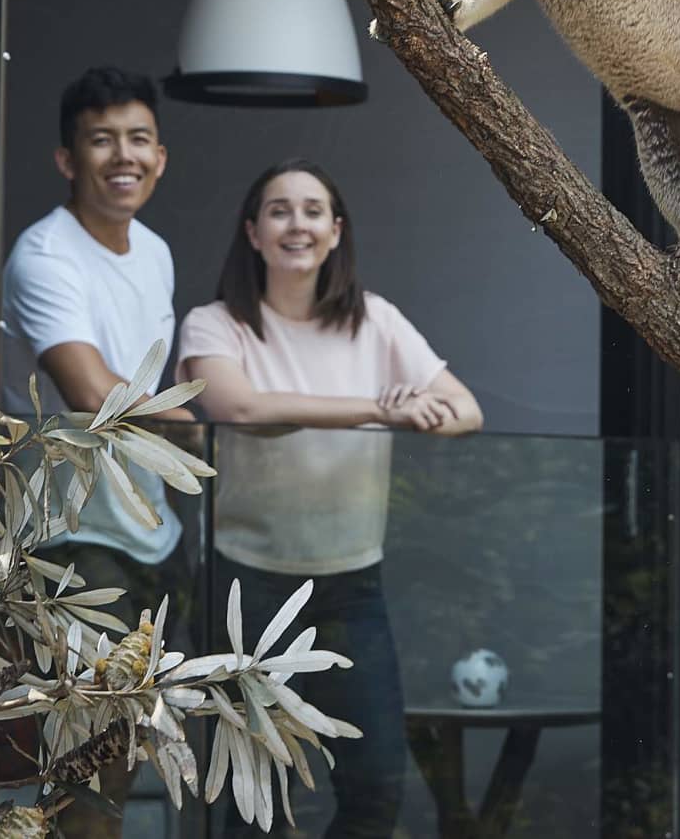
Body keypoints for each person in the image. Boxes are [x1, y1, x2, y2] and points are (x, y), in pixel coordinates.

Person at [177, 158, 482, 838]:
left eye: (313, 211)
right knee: (254, 801)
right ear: (253, 232)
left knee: (376, 786)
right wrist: (378, 408)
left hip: (352, 586)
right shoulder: (215, 323)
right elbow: (240, 407)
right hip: (244, 587)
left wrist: (420, 411)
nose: (298, 224)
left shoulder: (376, 321)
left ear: (336, 230)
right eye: (279, 210)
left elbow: (468, 410)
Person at [0, 66, 200, 838]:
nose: (125, 156)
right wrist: (188, 419)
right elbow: (89, 389)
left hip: (152, 533)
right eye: (102, 140)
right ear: (67, 158)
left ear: (161, 156)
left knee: (122, 757)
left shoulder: (155, 252)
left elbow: (140, 383)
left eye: (139, 139)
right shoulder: (45, 256)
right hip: (72, 539)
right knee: (82, 760)